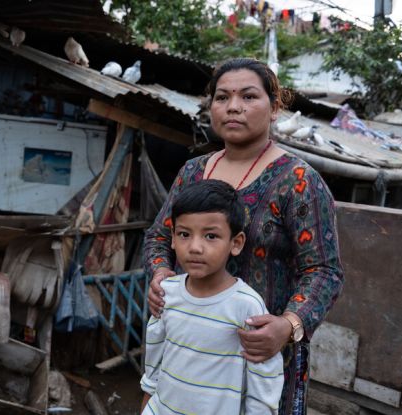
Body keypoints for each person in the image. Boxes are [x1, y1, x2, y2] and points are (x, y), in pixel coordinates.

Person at [143, 57, 344, 415]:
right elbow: (160, 236)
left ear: (274, 107)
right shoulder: (192, 172)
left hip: (260, 356)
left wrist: (288, 325)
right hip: (191, 351)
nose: (233, 107)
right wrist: (160, 274)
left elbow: (324, 272)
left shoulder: (298, 182)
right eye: (222, 98)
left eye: (248, 96)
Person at [140, 179, 284, 415]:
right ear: (173, 239)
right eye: (185, 234)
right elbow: (154, 359)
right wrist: (147, 405)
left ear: (235, 243)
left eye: (210, 236)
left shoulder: (246, 306)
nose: (195, 247)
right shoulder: (167, 293)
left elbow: (263, 378)